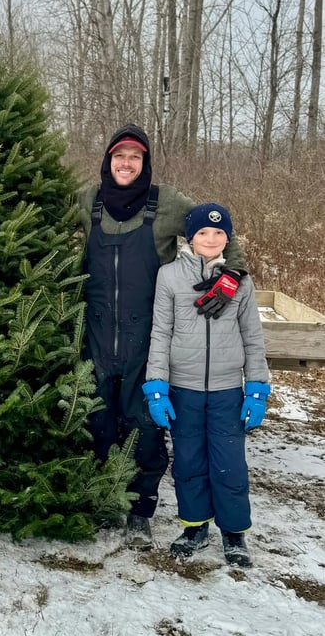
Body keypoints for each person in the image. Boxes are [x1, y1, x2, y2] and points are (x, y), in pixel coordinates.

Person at [79, 123, 248, 549]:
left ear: (145, 162)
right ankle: (100, 499)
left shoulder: (166, 202)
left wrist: (230, 276)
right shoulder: (87, 199)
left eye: (136, 157)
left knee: (145, 422)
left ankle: (140, 508)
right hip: (95, 331)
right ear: (108, 160)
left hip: (149, 335)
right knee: (96, 417)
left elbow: (223, 234)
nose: (127, 163)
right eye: (120, 156)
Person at [142, 203, 269, 567]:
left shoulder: (240, 280)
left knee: (229, 463)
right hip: (184, 389)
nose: (211, 239)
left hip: (229, 390)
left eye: (218, 233)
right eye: (203, 233)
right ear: (190, 237)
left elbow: (253, 336)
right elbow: (160, 333)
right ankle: (195, 526)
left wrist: (257, 388)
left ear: (227, 238)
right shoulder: (169, 276)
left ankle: (234, 533)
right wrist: (157, 386)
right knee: (188, 461)